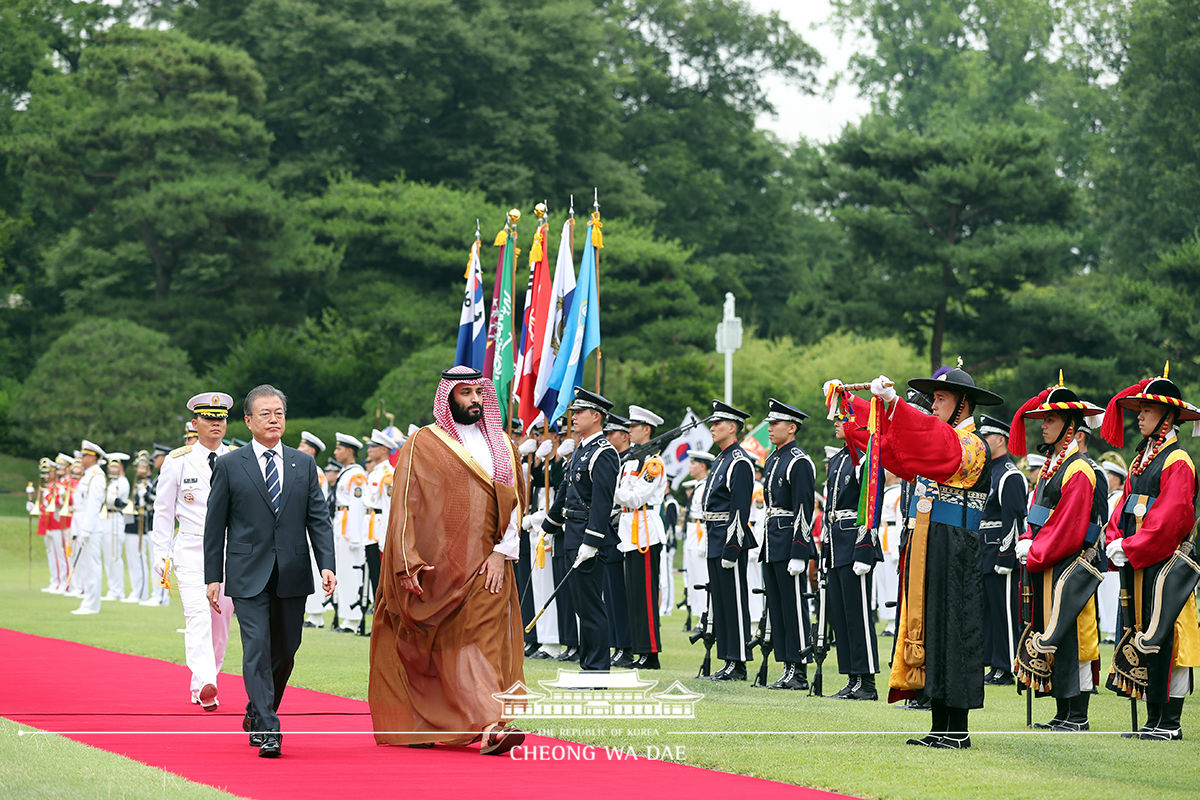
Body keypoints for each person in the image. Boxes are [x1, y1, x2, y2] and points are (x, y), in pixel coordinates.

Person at [833, 364, 1002, 747]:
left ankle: (956, 730)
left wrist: (894, 405)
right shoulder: (944, 437)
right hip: (931, 541)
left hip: (956, 544)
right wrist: (859, 406)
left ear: (963, 403)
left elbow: (930, 443)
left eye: (942, 398)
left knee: (955, 631)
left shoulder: (972, 444)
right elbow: (894, 452)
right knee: (934, 630)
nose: (935, 404)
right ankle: (939, 724)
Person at [369, 366, 527, 755]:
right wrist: (407, 562)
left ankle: (493, 724)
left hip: (488, 566)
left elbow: (516, 503)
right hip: (436, 570)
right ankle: (423, 722)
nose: (474, 400)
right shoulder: (424, 442)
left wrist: (500, 553)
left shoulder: (502, 445)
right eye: (465, 393)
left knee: (484, 643)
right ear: (448, 398)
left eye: (479, 392)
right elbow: (406, 504)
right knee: (429, 648)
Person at [204, 384, 337, 758]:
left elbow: (319, 519)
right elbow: (215, 527)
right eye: (265, 413)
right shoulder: (230, 465)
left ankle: (256, 710)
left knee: (287, 650)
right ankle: (268, 725)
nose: (273, 418)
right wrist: (212, 576)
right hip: (247, 572)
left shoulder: (303, 463)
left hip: (292, 571)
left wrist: (326, 564)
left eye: (278, 412)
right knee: (257, 648)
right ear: (247, 421)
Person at [1102, 366, 1200, 741]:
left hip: (1167, 565)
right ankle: (1152, 717)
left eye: (1147, 410)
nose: (1139, 416)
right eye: (1139, 409)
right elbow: (1124, 505)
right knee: (1142, 632)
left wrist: (1130, 546)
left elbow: (1172, 517)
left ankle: (1170, 721)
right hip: (1140, 561)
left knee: (1169, 634)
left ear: (1168, 416)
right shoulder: (1140, 458)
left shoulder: (1178, 462)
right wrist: (1116, 537)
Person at [1008, 378, 1105, 730]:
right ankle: (1064, 711)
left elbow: (1069, 526)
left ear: (1069, 425)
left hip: (1068, 565)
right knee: (1055, 634)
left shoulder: (1078, 469)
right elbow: (1037, 513)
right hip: (1048, 562)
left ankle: (1077, 714)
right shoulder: (1051, 465)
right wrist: (1026, 537)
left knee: (1074, 634)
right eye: (1043, 420)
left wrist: (1035, 550)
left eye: (1050, 420)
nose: (1043, 425)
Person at [153, 393, 237, 711]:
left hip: (229, 550)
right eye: (208, 418)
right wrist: (161, 553)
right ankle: (205, 681)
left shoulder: (238, 459)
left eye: (221, 419)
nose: (216, 424)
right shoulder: (178, 460)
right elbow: (162, 511)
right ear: (195, 423)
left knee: (221, 618)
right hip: (190, 546)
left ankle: (203, 681)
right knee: (198, 615)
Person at [541, 388, 620, 673]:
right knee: (579, 605)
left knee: (590, 606)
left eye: (579, 413)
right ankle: (588, 663)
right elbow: (565, 490)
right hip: (571, 533)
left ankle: (597, 667)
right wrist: (548, 524)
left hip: (587, 536)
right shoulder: (581, 450)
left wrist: (592, 540)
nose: (573, 418)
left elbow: (602, 501)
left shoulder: (604, 453)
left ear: (596, 416)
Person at [759, 398, 816, 691]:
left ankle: (799, 668)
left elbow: (804, 509)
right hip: (772, 540)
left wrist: (800, 550)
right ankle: (786, 665)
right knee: (778, 607)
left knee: (793, 607)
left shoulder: (798, 461)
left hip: (788, 541)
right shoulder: (774, 458)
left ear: (791, 428)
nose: (770, 428)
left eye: (776, 423)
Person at [822, 415, 881, 700]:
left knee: (858, 614)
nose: (835, 424)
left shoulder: (866, 458)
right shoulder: (838, 460)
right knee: (842, 615)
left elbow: (871, 506)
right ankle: (851, 677)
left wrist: (865, 548)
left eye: (841, 419)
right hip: (835, 544)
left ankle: (866, 680)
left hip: (854, 543)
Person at [702, 399, 756, 681]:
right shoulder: (721, 459)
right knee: (721, 601)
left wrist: (732, 547)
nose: (713, 427)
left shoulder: (739, 462)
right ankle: (728, 659)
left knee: (734, 601)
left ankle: (737, 662)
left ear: (732, 427)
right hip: (714, 536)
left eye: (718, 423)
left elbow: (739, 509)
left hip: (728, 538)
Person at [614, 405, 668, 669]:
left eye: (633, 427)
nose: (629, 431)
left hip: (645, 530)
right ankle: (639, 649)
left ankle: (651, 653)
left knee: (645, 594)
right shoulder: (632, 460)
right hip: (629, 529)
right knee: (633, 595)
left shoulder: (653, 462)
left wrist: (609, 492)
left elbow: (635, 497)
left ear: (646, 429)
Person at [976, 415, 1027, 686]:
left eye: (987, 437)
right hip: (984, 551)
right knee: (989, 612)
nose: (983, 442)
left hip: (1000, 553)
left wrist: (1006, 555)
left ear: (1000, 440)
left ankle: (1007, 665)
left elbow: (1014, 518)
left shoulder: (1010, 474)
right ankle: (993, 662)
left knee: (1005, 612)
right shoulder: (987, 471)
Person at [603, 413, 634, 667]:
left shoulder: (631, 461)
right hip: (611, 529)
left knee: (621, 594)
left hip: (624, 530)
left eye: (610, 434)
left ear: (624, 436)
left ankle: (625, 646)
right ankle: (616, 644)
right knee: (611, 593)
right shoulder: (615, 460)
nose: (606, 438)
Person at [330, 433, 368, 633]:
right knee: (343, 574)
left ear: (350, 451)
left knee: (352, 574)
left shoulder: (357, 475)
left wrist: (355, 536)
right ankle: (346, 618)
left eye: (339, 449)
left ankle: (353, 620)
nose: (336, 452)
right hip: (340, 526)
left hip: (349, 531)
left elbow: (357, 506)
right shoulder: (347, 472)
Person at [70, 441, 108, 615]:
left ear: (93, 457)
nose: (81, 459)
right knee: (85, 566)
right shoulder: (88, 475)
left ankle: (92, 604)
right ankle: (87, 600)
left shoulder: (96, 476)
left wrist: (86, 530)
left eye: (85, 455)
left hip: (91, 527)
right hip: (81, 524)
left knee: (92, 565)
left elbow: (93, 505)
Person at [363, 429, 398, 618]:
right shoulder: (375, 472)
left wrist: (385, 537)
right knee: (373, 576)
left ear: (384, 450)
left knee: (380, 577)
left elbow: (388, 507)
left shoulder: (387, 474)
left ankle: (383, 616)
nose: (369, 450)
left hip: (379, 529)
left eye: (373, 447)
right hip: (369, 529)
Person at [297, 431, 329, 628]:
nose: (299, 450)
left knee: (315, 570)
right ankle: (311, 612)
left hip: (309, 527)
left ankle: (316, 614)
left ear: (310, 450)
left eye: (302, 447)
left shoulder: (315, 472)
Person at [1095, 453, 1128, 642]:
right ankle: (1108, 630)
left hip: (1113, 547)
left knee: (1113, 590)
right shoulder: (1110, 497)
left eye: (1109, 475)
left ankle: (1113, 631)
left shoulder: (1116, 498)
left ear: (1116, 479)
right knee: (1105, 591)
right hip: (1106, 548)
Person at [682, 450, 714, 629]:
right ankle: (698, 615)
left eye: (694, 463)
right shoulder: (698, 485)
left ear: (703, 466)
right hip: (693, 532)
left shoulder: (706, 486)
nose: (690, 466)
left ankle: (705, 616)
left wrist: (705, 542)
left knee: (702, 577)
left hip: (701, 532)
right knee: (693, 575)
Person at [122, 451, 153, 603]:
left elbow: (152, 501)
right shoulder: (137, 483)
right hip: (131, 523)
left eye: (142, 466)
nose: (139, 469)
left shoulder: (150, 483)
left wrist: (145, 496)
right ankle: (136, 590)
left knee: (139, 559)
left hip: (142, 524)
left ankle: (141, 592)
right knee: (133, 560)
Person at [102, 453, 131, 602]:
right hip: (106, 517)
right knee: (108, 556)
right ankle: (112, 588)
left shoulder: (122, 482)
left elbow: (117, 500)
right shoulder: (111, 482)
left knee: (114, 555)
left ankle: (117, 590)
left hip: (115, 517)